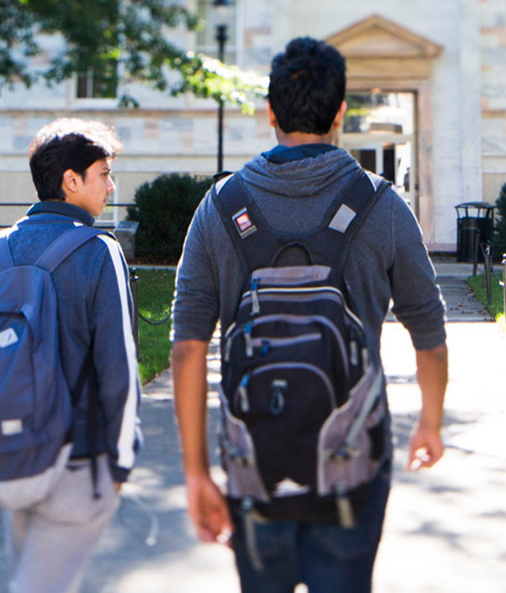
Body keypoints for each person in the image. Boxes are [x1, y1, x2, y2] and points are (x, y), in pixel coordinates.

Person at [170, 36, 448, 593]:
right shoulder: (383, 204)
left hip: (253, 461)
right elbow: (429, 332)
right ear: (341, 112)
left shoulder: (219, 208)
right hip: (352, 462)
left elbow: (186, 348)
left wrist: (197, 471)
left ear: (269, 111)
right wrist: (430, 421)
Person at [0, 118, 141, 593]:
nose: (110, 184)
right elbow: (118, 367)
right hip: (78, 464)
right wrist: (121, 463)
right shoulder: (101, 252)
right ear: (71, 180)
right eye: (103, 173)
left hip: (10, 454)